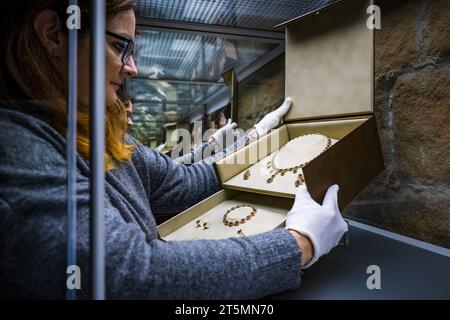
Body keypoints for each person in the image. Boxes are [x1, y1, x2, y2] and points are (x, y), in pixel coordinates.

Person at [0, 0, 347, 299]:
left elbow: (185, 181)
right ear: (53, 35)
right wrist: (298, 244)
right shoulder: (16, 147)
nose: (131, 67)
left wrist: (258, 140)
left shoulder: (98, 134)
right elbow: (132, 276)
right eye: (119, 45)